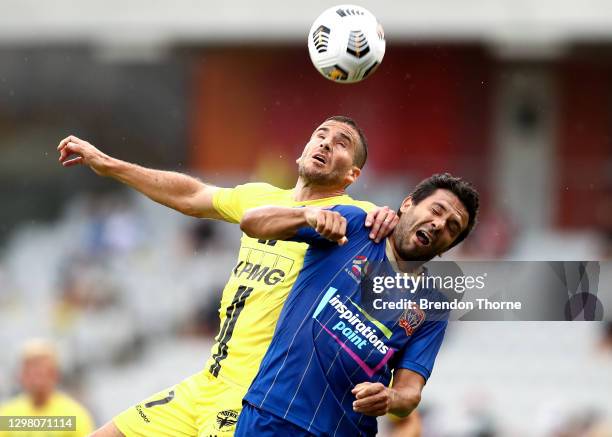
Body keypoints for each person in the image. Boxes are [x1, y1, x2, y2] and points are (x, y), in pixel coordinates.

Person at [56, 116, 398, 436]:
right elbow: (190, 196)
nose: (326, 144)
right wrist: (108, 164)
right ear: (303, 151)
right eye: (320, 136)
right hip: (207, 382)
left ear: (353, 174)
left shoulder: (358, 218)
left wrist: (394, 218)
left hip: (253, 397)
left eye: (341, 143)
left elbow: (414, 250)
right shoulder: (260, 197)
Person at [235, 173, 479, 436]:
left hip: (347, 430)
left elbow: (409, 394)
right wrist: (308, 216)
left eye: (452, 227)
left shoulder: (433, 307)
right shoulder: (354, 226)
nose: (439, 224)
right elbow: (251, 222)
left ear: (448, 247)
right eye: (436, 210)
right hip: (273, 412)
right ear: (408, 204)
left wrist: (390, 397)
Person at [0, 339, 94, 437]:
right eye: (30, 373)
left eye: (41, 373)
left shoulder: (75, 415)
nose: (36, 380)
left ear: (55, 374)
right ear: (21, 376)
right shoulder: (7, 414)